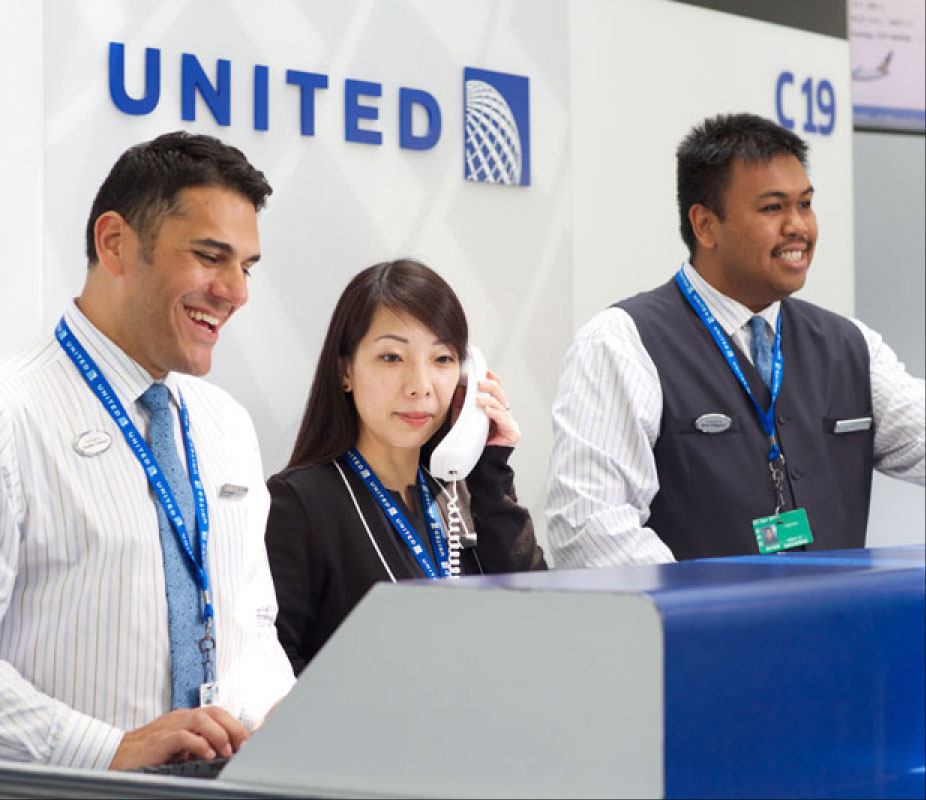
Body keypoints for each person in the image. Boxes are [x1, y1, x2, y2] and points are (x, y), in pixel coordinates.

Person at [0, 132, 294, 769]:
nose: (236, 292)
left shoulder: (227, 425)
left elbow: (252, 623)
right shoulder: (12, 412)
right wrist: (111, 750)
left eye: (245, 266)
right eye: (211, 256)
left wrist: (276, 715)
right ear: (115, 243)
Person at [545, 112, 925, 567]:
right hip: (697, 634)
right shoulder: (621, 344)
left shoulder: (850, 344)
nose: (798, 227)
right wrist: (708, 617)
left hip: (836, 632)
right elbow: (587, 527)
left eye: (804, 204)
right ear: (706, 226)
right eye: (773, 208)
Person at [265, 259, 546, 675]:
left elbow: (540, 619)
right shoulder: (298, 502)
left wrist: (489, 468)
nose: (420, 385)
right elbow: (270, 663)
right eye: (392, 357)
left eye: (443, 359)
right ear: (345, 371)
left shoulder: (462, 494)